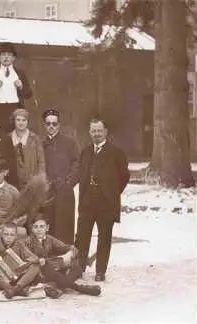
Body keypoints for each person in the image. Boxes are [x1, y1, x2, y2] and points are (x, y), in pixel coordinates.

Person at [75, 118, 130, 282]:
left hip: (106, 203)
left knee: (104, 238)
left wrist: (112, 192)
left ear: (106, 131)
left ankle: (100, 271)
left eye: (99, 131)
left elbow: (124, 176)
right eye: (93, 131)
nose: (96, 134)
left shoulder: (116, 153)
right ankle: (79, 268)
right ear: (89, 132)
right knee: (82, 237)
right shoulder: (85, 152)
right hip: (86, 201)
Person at [25, 215, 101, 299]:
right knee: (52, 266)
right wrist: (57, 261)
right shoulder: (28, 242)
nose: (39, 230)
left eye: (41, 227)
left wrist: (71, 251)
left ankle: (59, 289)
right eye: (35, 227)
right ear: (31, 228)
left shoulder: (49, 239)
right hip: (40, 272)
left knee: (77, 268)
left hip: (53, 270)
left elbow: (65, 247)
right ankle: (81, 288)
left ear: (47, 228)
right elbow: (30, 259)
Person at [41, 108, 80, 244]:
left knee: (64, 226)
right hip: (47, 191)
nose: (51, 126)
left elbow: (77, 164)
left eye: (54, 124)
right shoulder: (41, 145)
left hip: (65, 191)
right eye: (48, 124)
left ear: (59, 125)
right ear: (44, 125)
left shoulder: (70, 143)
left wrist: (69, 182)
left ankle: (66, 258)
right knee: (48, 224)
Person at [0, 223, 40, 299]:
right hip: (1, 276)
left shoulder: (19, 244)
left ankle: (16, 288)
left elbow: (34, 257)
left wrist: (26, 262)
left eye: (11, 235)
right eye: (6, 234)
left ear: (15, 236)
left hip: (16, 274)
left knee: (35, 266)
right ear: (2, 234)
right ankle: (11, 288)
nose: (8, 237)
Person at [0, 42, 32, 132]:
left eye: (9, 55)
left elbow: (28, 94)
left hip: (15, 109)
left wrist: (21, 86)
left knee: (15, 134)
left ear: (13, 58)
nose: (6, 57)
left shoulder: (20, 73)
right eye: (3, 55)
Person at [10, 108, 46, 189]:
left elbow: (41, 162)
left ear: (27, 122)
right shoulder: (9, 138)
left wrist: (40, 182)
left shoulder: (35, 139)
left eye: (24, 120)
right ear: (14, 121)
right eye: (18, 120)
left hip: (32, 182)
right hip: (13, 182)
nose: (21, 123)